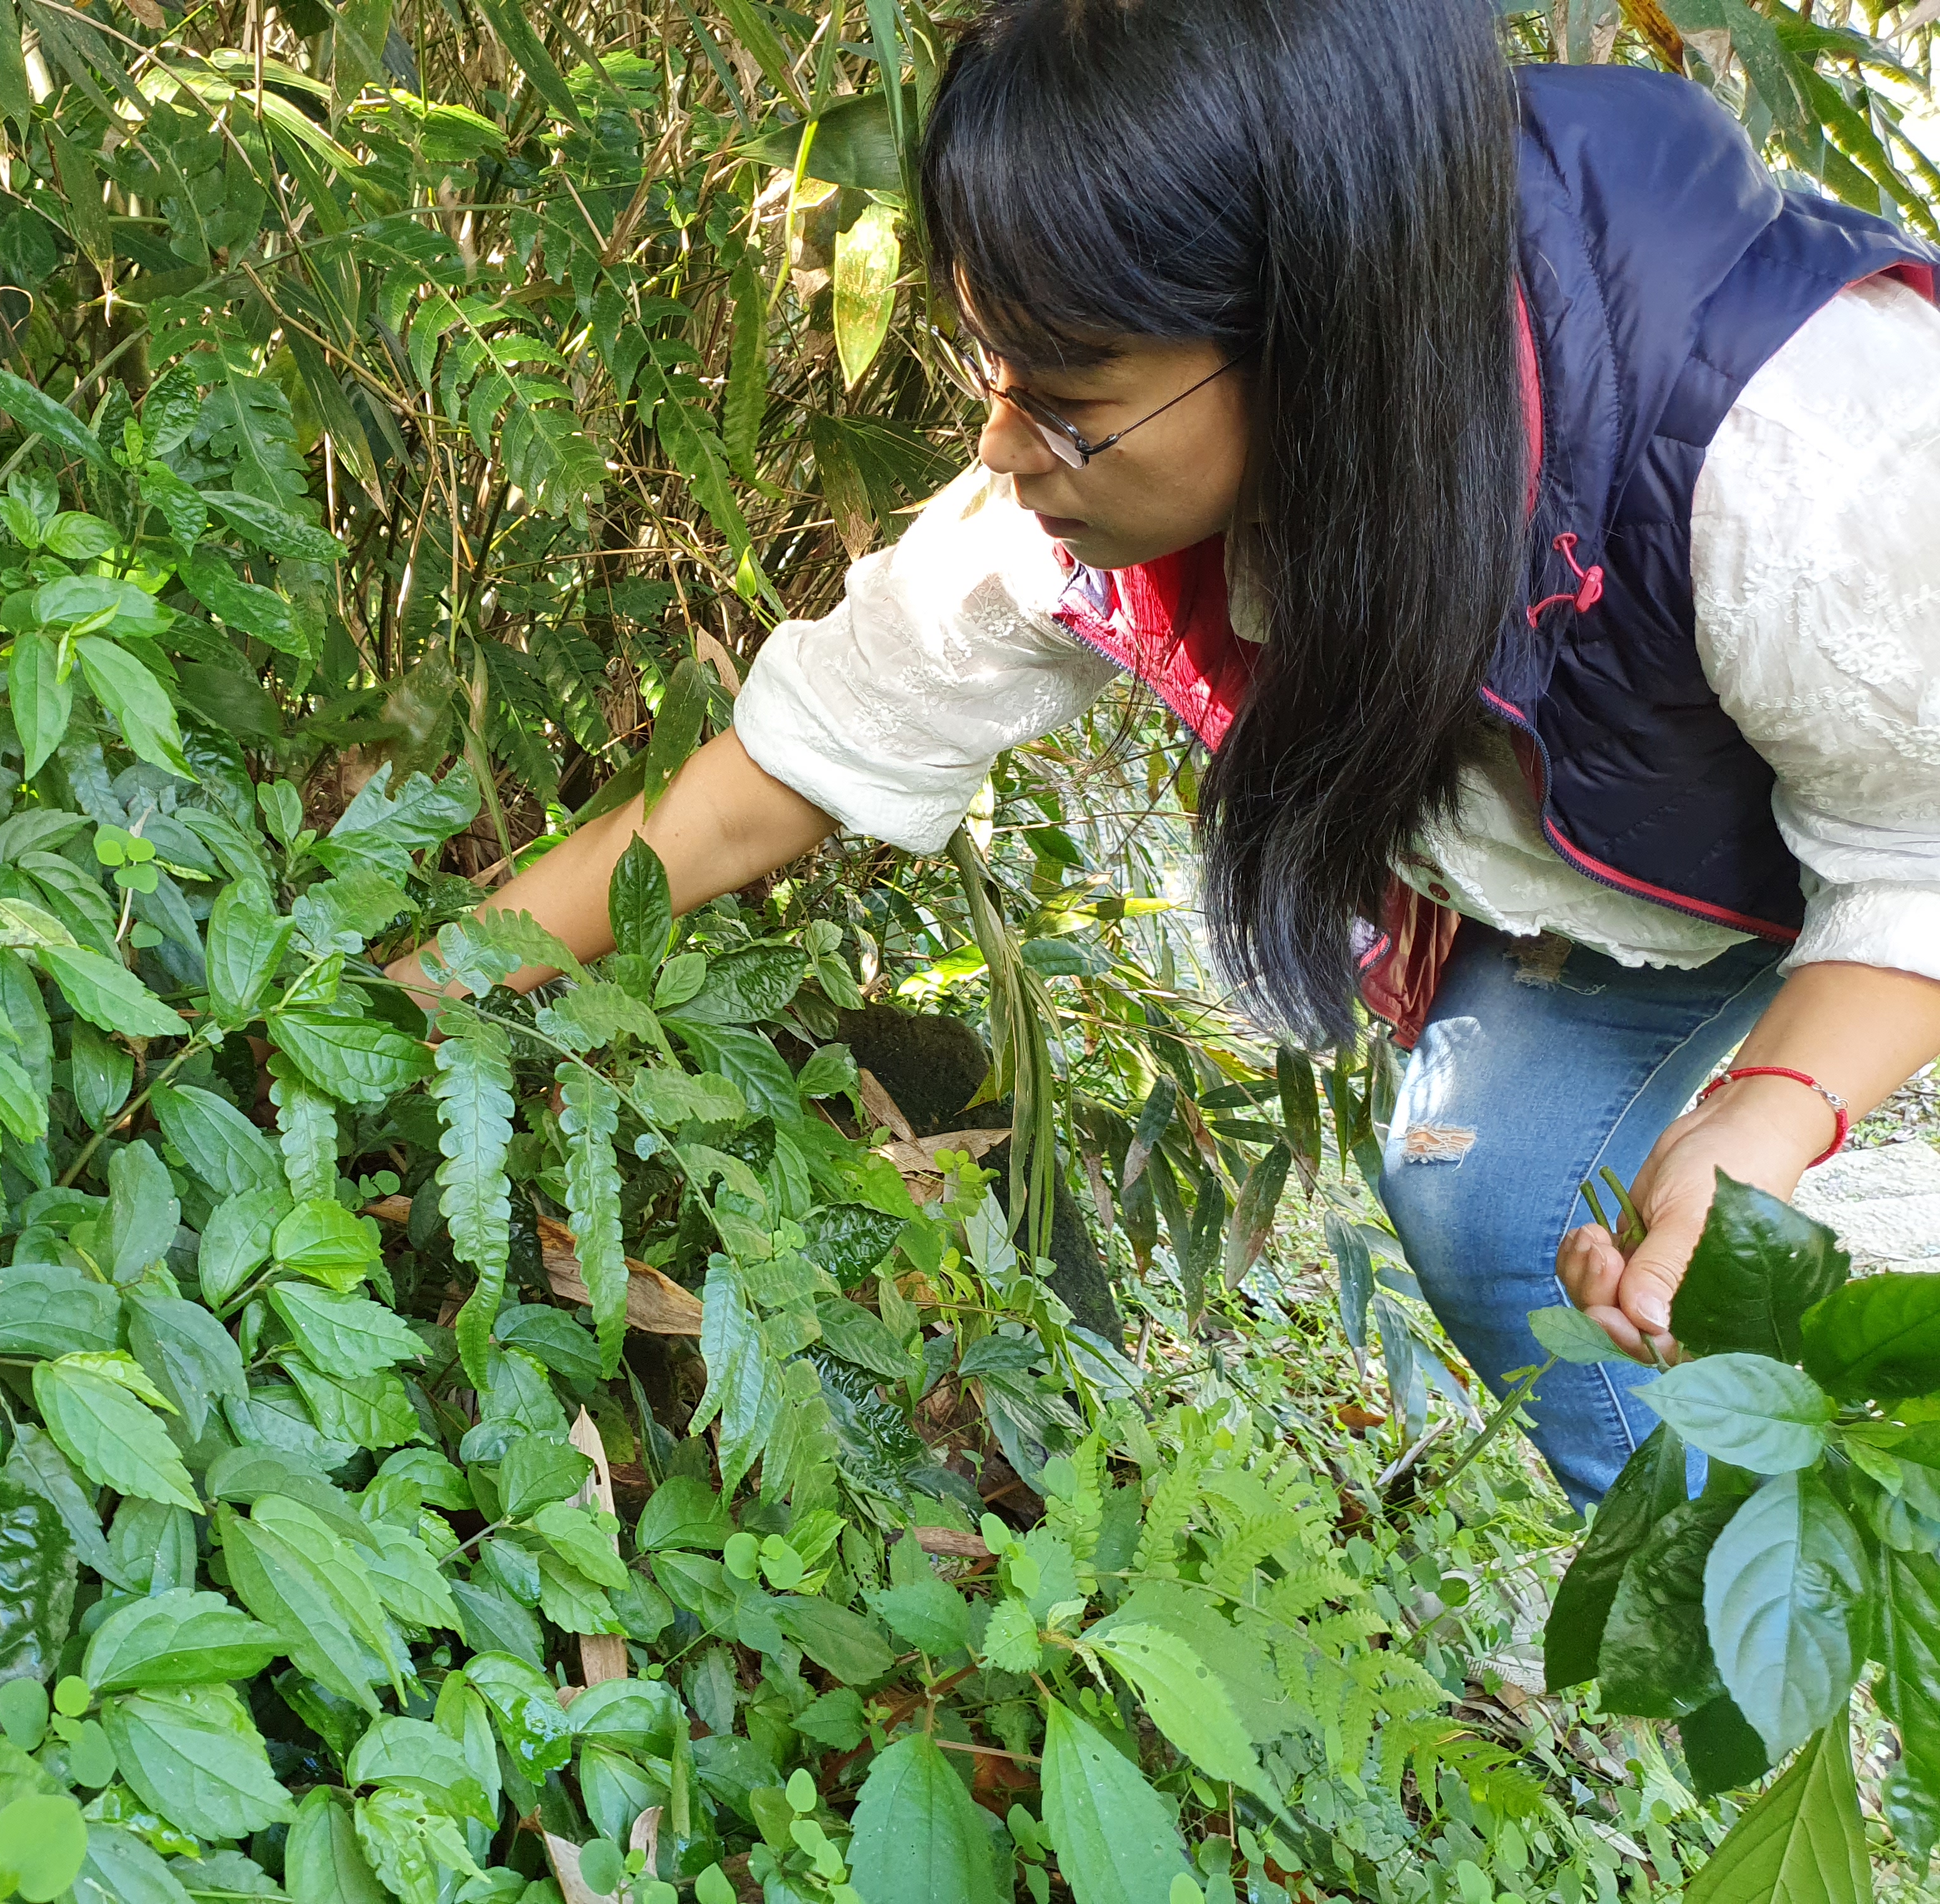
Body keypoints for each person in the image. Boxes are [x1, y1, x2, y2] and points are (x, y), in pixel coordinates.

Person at [390, 0, 1940, 1507]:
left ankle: (1829, 1585)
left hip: (1882, 782)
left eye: (1066, 405)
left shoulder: (1803, 468)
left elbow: (1919, 851)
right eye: (994, 375)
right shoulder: (1129, 473)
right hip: (1640, 828)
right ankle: (1731, 1580)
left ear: (1321, 343)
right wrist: (428, 988)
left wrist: (1774, 1107)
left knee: (1639, 1199)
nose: (1003, 448)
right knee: (1483, 1200)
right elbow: (783, 773)